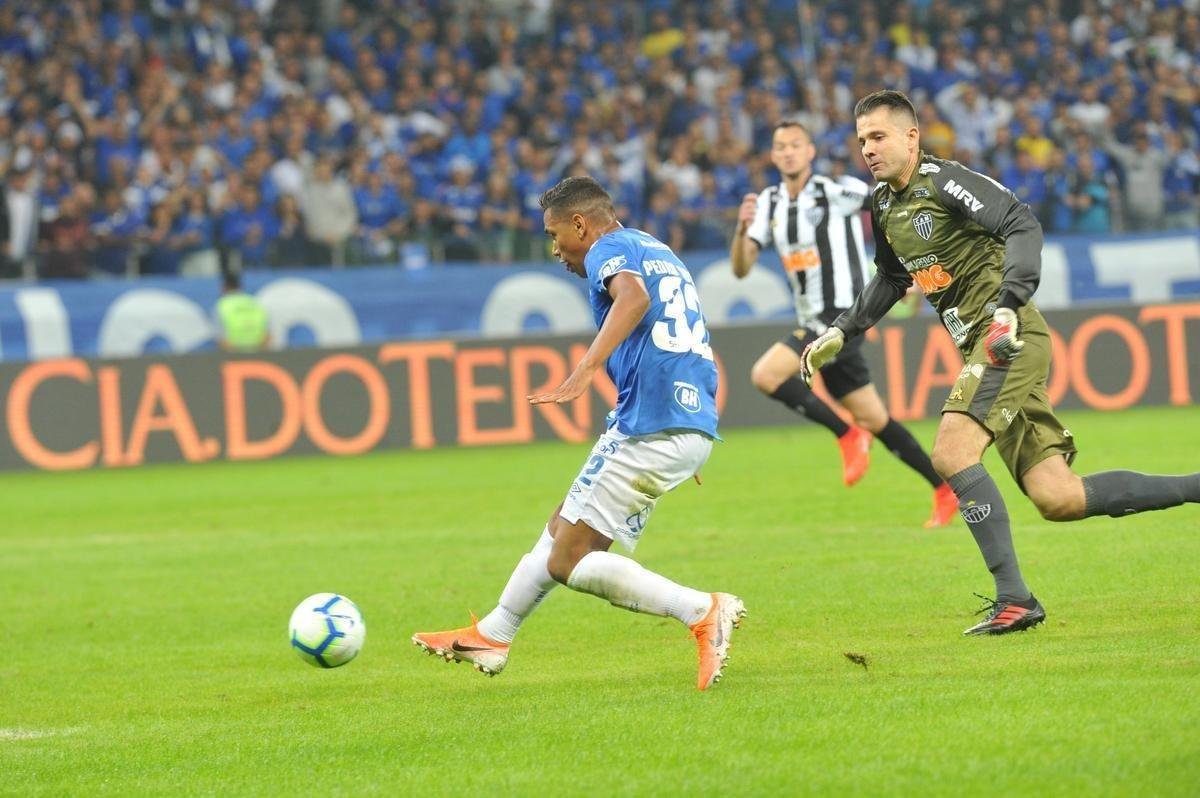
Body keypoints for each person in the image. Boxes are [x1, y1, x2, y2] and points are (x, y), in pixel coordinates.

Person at [801, 90, 1200, 636]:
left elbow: (1020, 221)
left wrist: (1010, 305)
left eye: (879, 136)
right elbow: (894, 278)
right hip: (981, 346)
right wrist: (842, 330)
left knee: (951, 451)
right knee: (1057, 496)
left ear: (911, 137)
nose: (868, 149)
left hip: (1004, 337)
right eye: (862, 140)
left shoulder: (943, 181)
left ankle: (1013, 598)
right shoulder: (886, 205)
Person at [413, 176, 744, 691]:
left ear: (580, 224)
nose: (554, 249)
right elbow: (684, 335)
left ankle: (702, 610)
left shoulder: (608, 251)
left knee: (569, 559)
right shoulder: (655, 249)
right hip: (678, 419)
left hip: (653, 422)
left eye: (554, 235)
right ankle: (494, 635)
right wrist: (691, 425)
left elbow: (630, 299)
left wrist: (586, 369)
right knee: (560, 527)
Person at [730, 120, 957, 528]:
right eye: (780, 146)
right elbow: (742, 267)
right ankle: (943, 489)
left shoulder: (835, 191)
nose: (787, 152)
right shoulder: (768, 203)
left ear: (810, 151)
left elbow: (889, 201)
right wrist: (743, 227)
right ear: (773, 154)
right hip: (811, 318)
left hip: (841, 315)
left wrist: (913, 267)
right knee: (875, 418)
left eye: (795, 145)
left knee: (765, 375)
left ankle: (846, 435)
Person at [215, 271, 270, 352]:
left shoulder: (222, 305)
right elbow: (268, 334)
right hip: (258, 353)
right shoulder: (254, 302)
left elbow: (219, 337)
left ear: (224, 288)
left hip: (233, 354)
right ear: (241, 286)